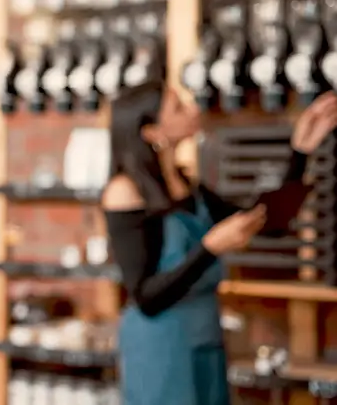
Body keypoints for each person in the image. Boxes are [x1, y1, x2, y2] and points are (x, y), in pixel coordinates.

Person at [102, 87, 337, 405]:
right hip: (161, 348)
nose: (191, 109)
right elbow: (146, 297)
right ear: (151, 132)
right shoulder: (124, 192)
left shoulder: (189, 188)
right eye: (177, 108)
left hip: (205, 336)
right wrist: (210, 248)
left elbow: (268, 223)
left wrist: (301, 149)